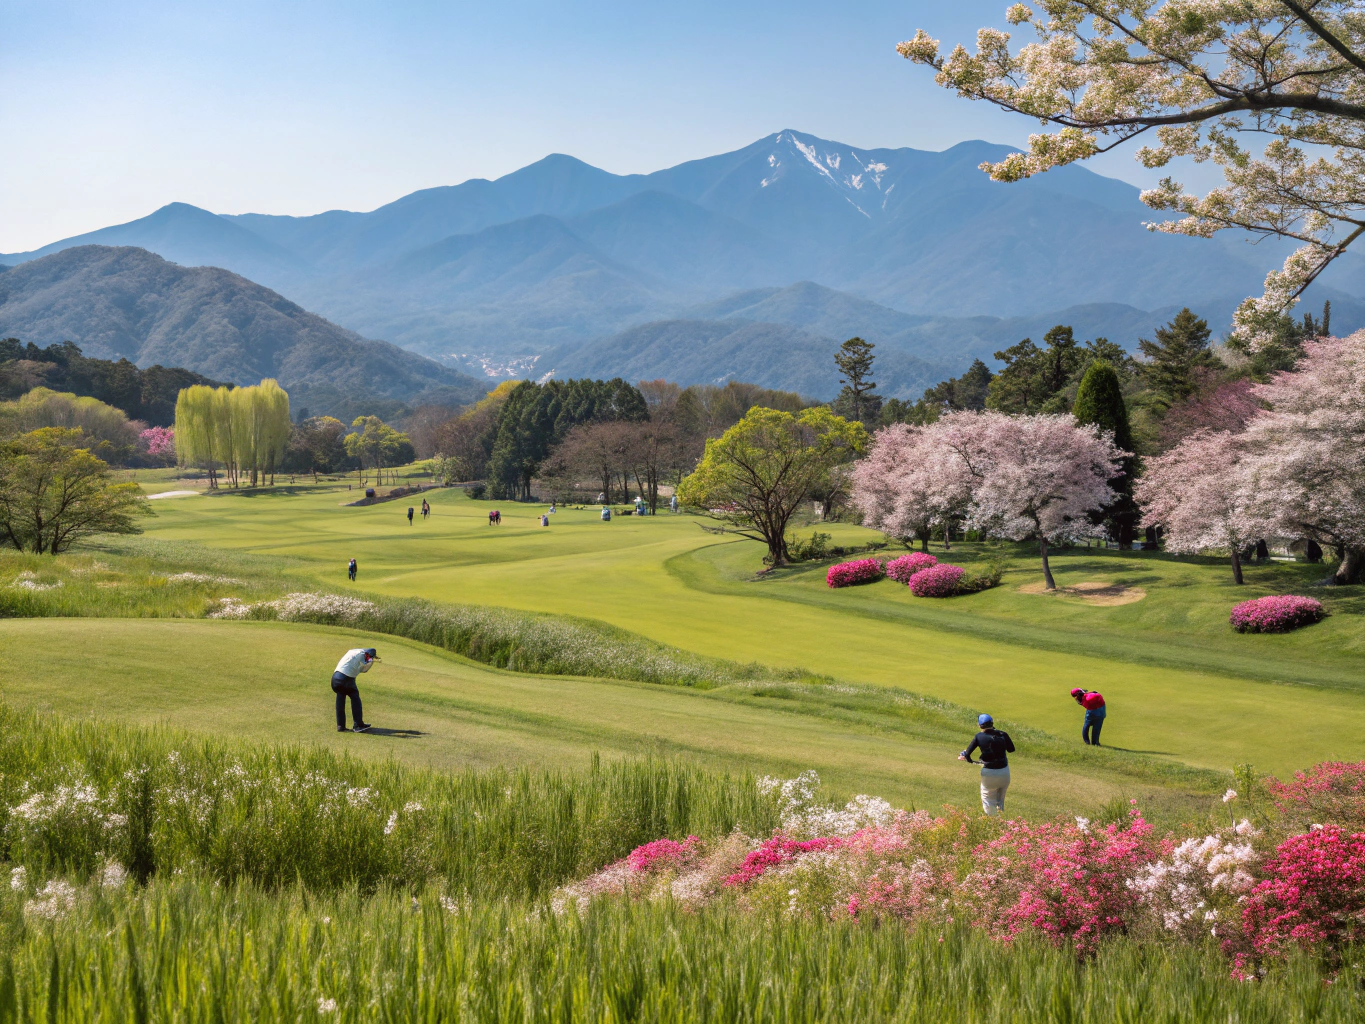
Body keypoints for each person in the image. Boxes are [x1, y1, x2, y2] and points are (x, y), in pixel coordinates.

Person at [960, 714, 1015, 815]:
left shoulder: (978, 736)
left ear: (980, 725)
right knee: (1000, 800)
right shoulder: (1003, 734)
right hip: (1004, 772)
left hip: (989, 773)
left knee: (988, 801)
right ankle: (1001, 819)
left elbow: (967, 754)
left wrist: (969, 761)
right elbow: (1011, 749)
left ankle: (994, 821)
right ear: (992, 723)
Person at [331, 647, 378, 732]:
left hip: (335, 678)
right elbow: (364, 669)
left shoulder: (354, 652)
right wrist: (371, 662)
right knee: (355, 698)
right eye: (369, 657)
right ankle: (358, 725)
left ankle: (341, 726)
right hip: (346, 679)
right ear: (367, 654)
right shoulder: (361, 655)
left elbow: (362, 668)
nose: (369, 659)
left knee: (340, 699)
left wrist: (371, 660)